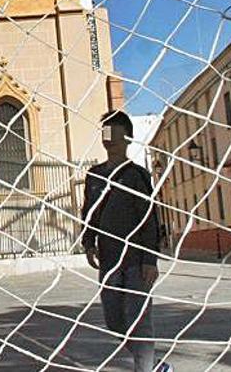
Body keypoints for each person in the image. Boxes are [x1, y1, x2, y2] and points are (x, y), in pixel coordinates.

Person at [80, 111, 167, 372]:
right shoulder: (94, 175)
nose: (110, 139)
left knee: (140, 322)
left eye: (115, 133)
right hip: (109, 261)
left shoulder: (137, 176)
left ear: (127, 138)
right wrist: (88, 241)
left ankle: (146, 368)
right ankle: (156, 366)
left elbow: (150, 218)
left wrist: (150, 259)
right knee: (114, 320)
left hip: (135, 261)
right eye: (106, 133)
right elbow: (89, 212)